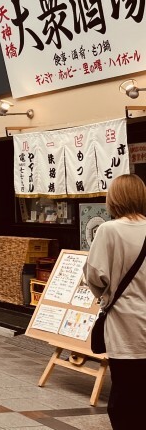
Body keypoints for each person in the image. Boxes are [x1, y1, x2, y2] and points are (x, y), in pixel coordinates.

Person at [84, 174, 146, 429]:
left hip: (124, 327)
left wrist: (104, 295)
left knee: (125, 395)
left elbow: (94, 275)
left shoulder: (109, 230)